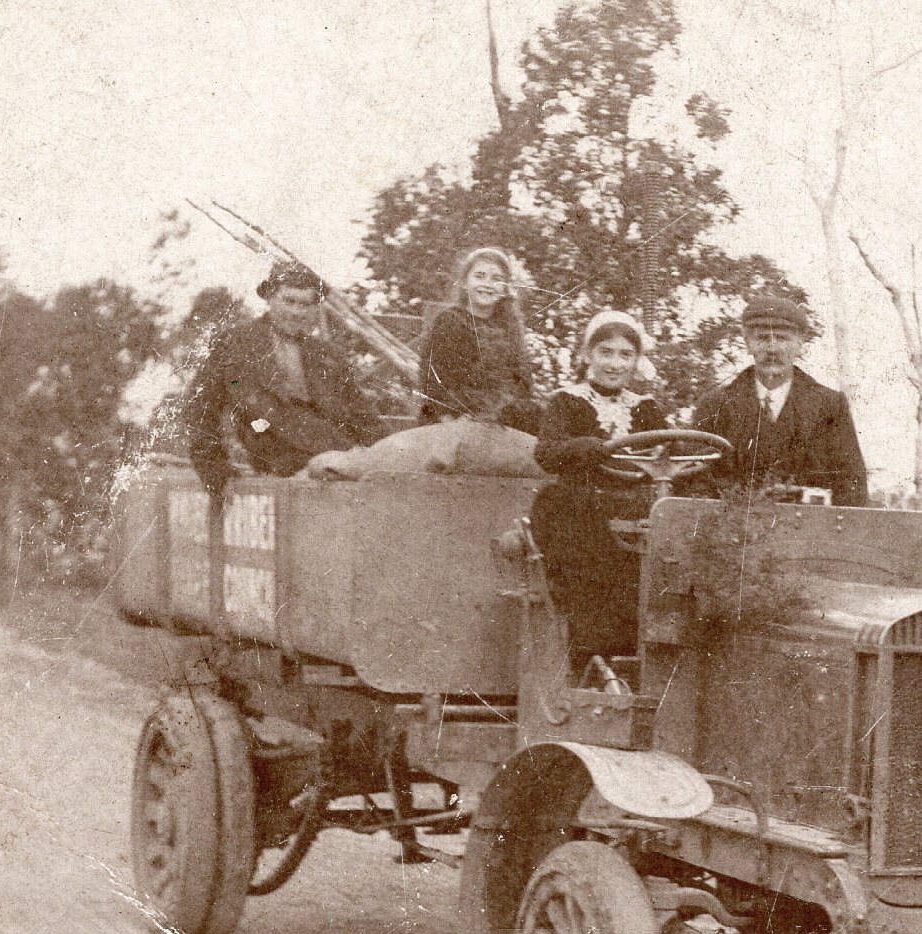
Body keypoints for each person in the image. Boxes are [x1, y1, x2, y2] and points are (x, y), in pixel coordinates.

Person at [530, 310, 669, 661]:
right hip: (581, 506)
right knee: (587, 559)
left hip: (634, 505)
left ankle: (648, 655)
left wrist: (677, 454)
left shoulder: (645, 408)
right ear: (588, 355)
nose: (615, 363)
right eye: (606, 352)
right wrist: (586, 447)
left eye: (626, 355)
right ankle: (590, 656)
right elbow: (546, 452)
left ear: (637, 361)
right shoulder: (568, 401)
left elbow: (671, 447)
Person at [182, 261, 386, 496]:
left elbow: (363, 418)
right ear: (270, 298)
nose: (296, 312)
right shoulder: (235, 344)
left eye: (306, 304)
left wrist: (393, 451)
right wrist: (213, 468)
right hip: (274, 453)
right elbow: (200, 408)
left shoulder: (327, 354)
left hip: (335, 456)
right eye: (289, 301)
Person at [692, 293, 868, 508]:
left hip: (810, 533)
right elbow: (696, 485)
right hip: (734, 532)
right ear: (748, 343)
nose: (772, 349)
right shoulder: (715, 404)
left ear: (800, 344)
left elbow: (852, 487)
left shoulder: (830, 406)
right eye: (763, 338)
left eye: (782, 339)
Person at [415, 245, 541, 433]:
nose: (487, 284)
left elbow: (522, 378)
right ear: (465, 283)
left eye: (496, 279)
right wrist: (449, 419)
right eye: (479, 276)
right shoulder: (449, 320)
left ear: (505, 288)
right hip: (454, 417)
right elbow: (433, 379)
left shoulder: (510, 325)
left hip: (503, 417)